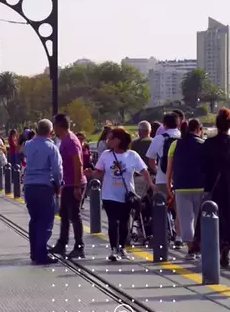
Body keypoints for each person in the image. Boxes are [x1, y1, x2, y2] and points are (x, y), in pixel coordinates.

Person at [86, 127, 156, 261]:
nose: (108, 141)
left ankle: (122, 248)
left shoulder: (132, 155)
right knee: (113, 221)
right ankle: (114, 249)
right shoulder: (106, 155)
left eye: (111, 138)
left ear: (118, 140)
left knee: (124, 222)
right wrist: (91, 173)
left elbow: (144, 171)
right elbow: (99, 173)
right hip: (109, 194)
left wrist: (151, 184)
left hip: (126, 194)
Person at [23, 119, 63, 265]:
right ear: (51, 132)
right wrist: (58, 184)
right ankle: (41, 254)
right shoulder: (51, 147)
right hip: (44, 186)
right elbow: (57, 170)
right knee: (45, 221)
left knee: (34, 219)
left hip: (29, 186)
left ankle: (34, 252)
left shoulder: (28, 145)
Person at [166, 119, 204, 259]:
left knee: (186, 219)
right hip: (200, 186)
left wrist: (168, 184)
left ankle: (191, 249)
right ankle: (198, 247)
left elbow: (170, 167)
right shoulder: (203, 144)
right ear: (198, 129)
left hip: (181, 186)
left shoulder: (175, 144)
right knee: (198, 219)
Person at [49, 114, 86, 259]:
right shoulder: (64, 140)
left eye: (54, 125)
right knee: (64, 215)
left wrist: (77, 186)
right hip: (67, 183)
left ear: (59, 126)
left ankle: (79, 247)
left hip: (74, 184)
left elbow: (78, 164)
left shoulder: (71, 141)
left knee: (74, 216)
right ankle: (62, 243)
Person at [146, 112, 182, 248]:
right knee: (179, 210)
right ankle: (179, 237)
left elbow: (150, 159)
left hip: (162, 179)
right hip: (179, 179)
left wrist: (157, 171)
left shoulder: (159, 138)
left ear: (164, 125)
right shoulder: (183, 137)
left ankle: (162, 237)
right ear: (179, 124)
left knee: (159, 207)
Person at [199, 108, 230, 268]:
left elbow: (202, 166)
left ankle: (218, 246)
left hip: (212, 186)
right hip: (228, 185)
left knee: (213, 218)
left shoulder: (209, 144)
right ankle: (227, 245)